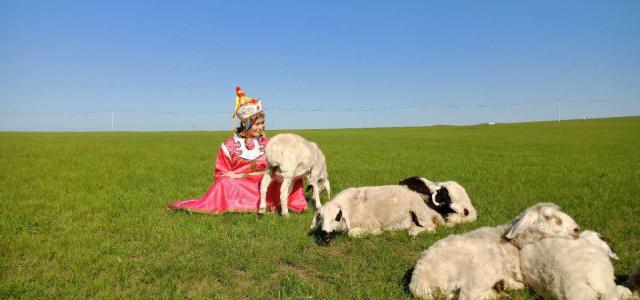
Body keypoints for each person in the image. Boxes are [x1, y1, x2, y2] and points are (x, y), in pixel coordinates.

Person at [168, 86, 308, 214]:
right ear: (245, 123)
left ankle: (284, 204)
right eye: (257, 124)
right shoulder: (229, 145)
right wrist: (233, 175)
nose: (261, 127)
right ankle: (257, 203)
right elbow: (220, 175)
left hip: (268, 182)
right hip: (242, 186)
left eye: (262, 123)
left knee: (293, 177)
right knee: (223, 183)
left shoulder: (270, 143)